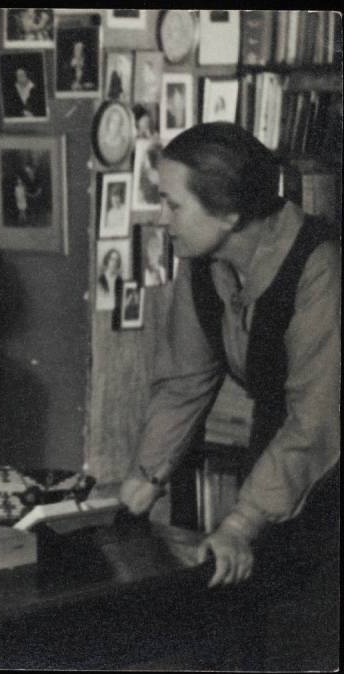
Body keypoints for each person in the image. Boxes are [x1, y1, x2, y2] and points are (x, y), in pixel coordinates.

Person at [118, 122, 339, 667]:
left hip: (330, 452)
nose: (161, 218)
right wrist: (144, 480)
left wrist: (241, 522)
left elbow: (317, 419)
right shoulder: (203, 263)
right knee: (255, 626)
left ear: (231, 214)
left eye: (172, 204)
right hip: (282, 444)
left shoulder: (322, 266)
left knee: (308, 633)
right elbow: (184, 383)